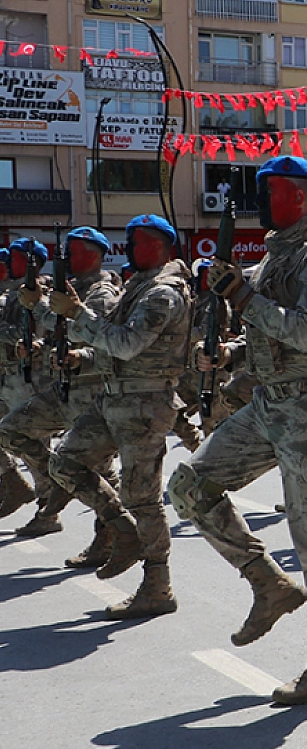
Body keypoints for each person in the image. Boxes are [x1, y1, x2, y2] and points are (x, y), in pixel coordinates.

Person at [171, 155, 307, 705]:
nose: (260, 202)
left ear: (298, 197)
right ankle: (267, 582)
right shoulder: (279, 253)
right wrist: (228, 356)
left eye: (269, 191)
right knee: (189, 486)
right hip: (269, 403)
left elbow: (306, 332)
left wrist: (245, 299)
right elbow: (267, 335)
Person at [45, 215, 192, 618]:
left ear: (160, 247)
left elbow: (128, 344)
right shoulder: (137, 287)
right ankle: (122, 530)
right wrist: (83, 355)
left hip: (145, 404)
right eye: (127, 240)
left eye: (136, 240)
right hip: (114, 398)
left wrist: (77, 314)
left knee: (143, 496)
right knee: (64, 461)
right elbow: (111, 343)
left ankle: (157, 586)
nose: (126, 247)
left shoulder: (163, 293)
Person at [2, 232, 123, 560]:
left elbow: (95, 335)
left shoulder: (102, 294)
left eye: (74, 251)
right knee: (10, 430)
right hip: (64, 388)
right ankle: (63, 486)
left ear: (95, 255)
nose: (66, 256)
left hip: (93, 389)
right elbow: (54, 326)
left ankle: (111, 535)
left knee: (99, 471)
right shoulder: (69, 288)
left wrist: (45, 313)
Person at [0, 253, 39, 521]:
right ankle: (13, 482)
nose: (8, 265)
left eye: (14, 258)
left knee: (34, 445)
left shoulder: (38, 294)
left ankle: (48, 510)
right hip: (8, 375)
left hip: (29, 378)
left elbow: (33, 333)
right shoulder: (12, 294)